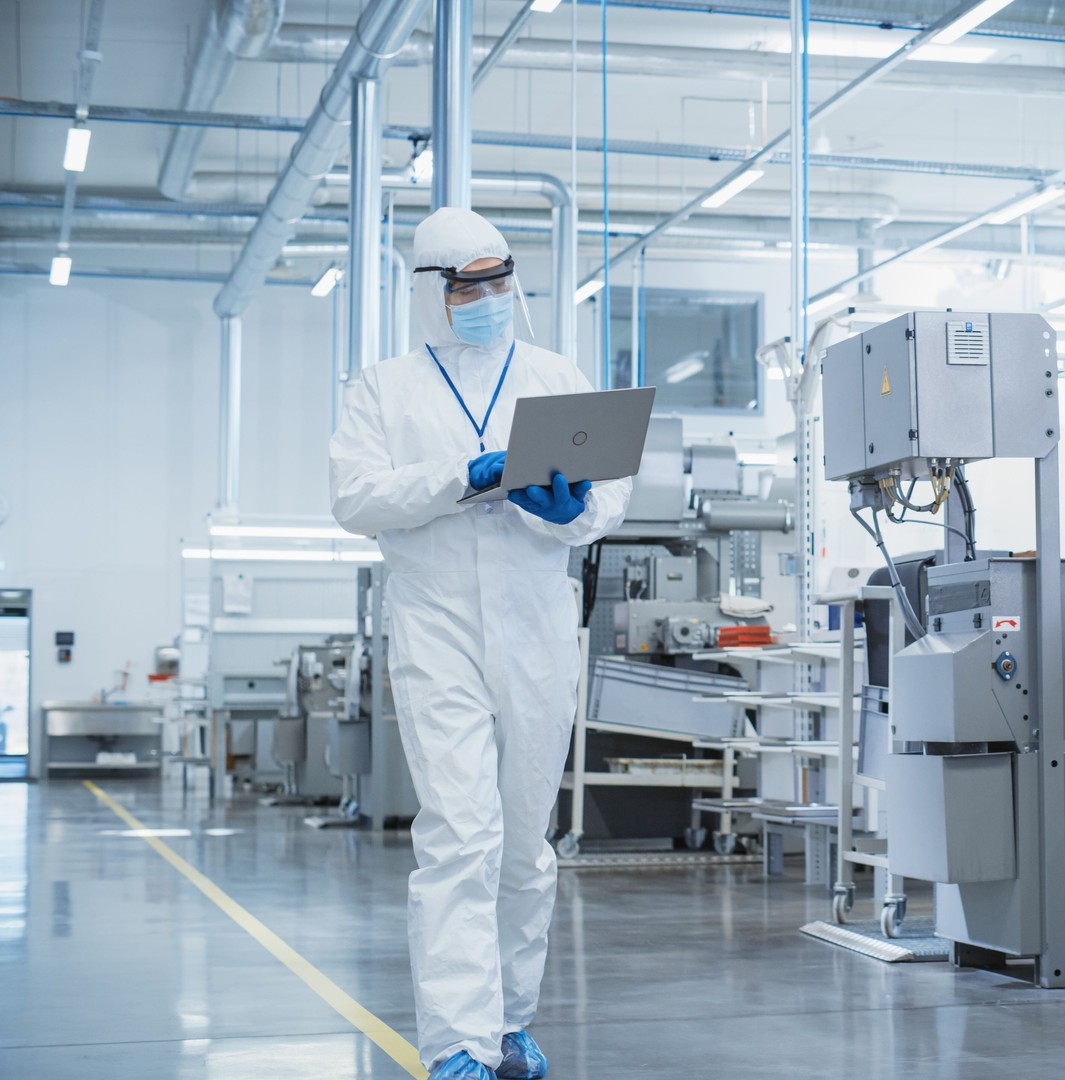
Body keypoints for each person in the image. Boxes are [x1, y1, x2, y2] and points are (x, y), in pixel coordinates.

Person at [330, 207, 633, 1080]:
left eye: (500, 281)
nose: (490, 298)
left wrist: (576, 512)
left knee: (525, 839)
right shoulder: (383, 389)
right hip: (437, 626)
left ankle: (509, 1025)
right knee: (461, 833)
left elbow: (609, 490)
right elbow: (355, 500)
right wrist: (460, 478)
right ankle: (457, 1042)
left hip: (539, 620)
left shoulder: (553, 373)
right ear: (434, 292)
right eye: (470, 285)